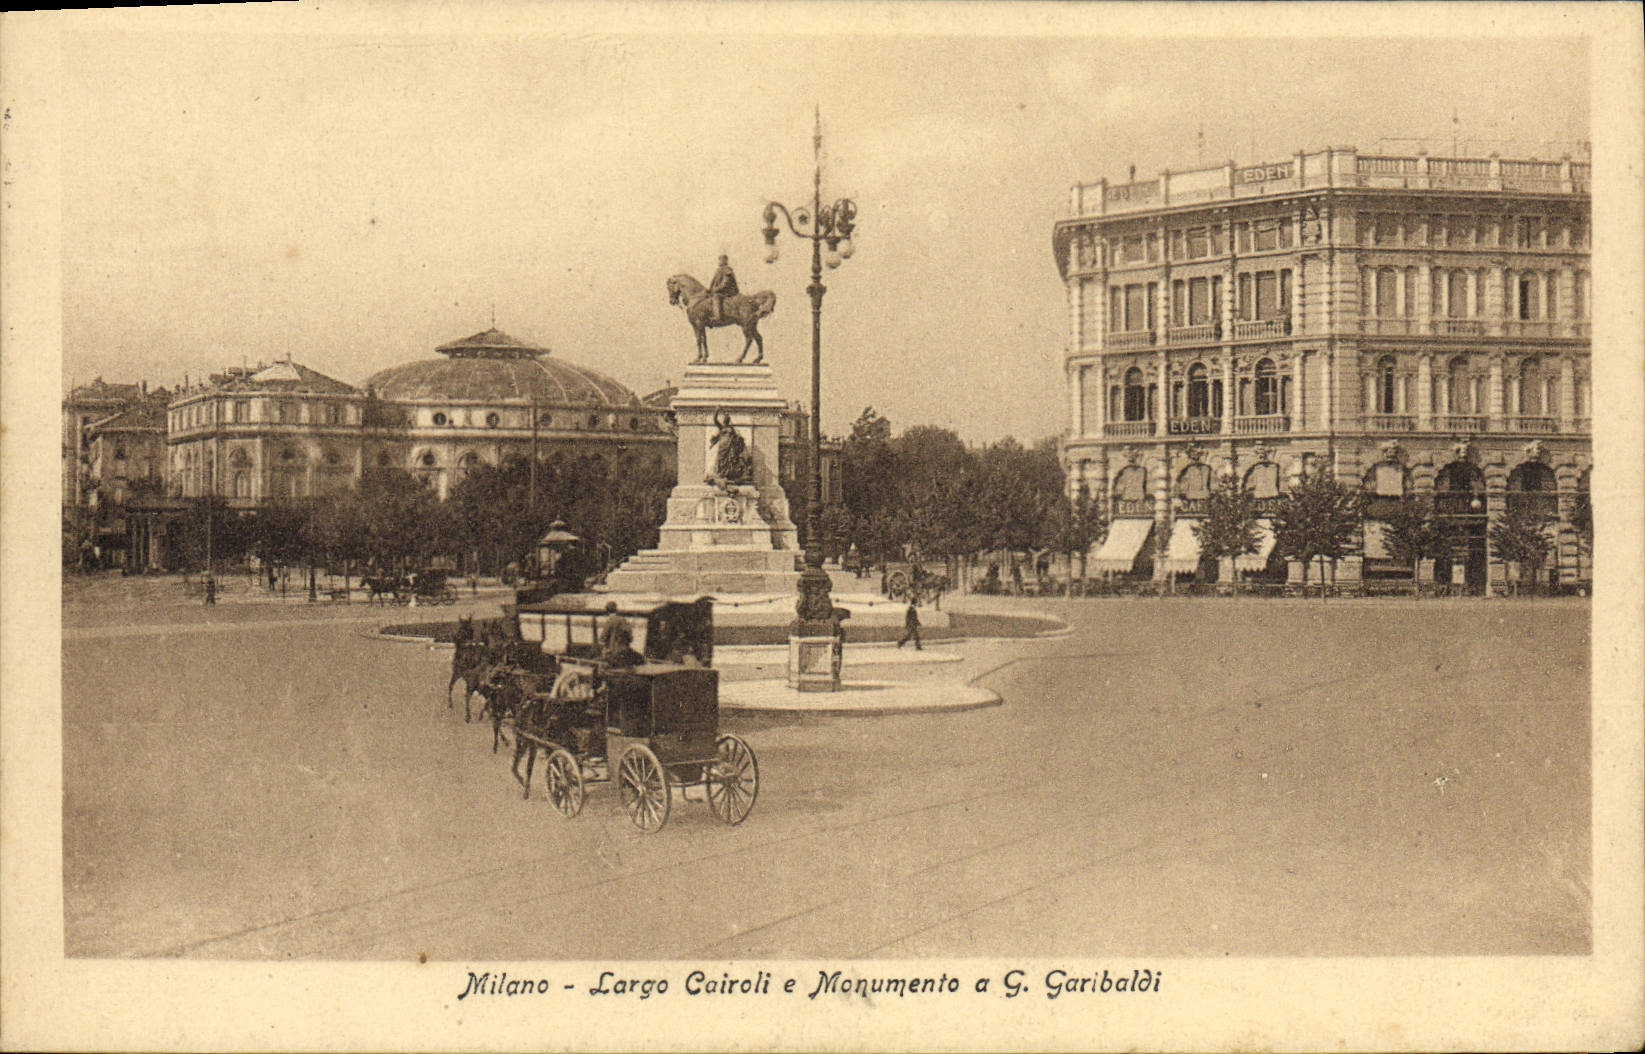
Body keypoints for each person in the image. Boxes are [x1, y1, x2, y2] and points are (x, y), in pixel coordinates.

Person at [599, 601, 641, 666]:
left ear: (607, 611)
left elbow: (602, 638)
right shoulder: (624, 620)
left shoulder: (609, 621)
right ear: (616, 610)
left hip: (614, 652)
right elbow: (631, 638)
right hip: (626, 651)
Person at [707, 254, 739, 324]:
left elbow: (725, 283)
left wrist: (715, 289)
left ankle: (718, 317)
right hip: (721, 291)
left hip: (728, 292)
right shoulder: (718, 270)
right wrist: (709, 290)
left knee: (716, 297)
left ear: (725, 260)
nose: (719, 262)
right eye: (719, 260)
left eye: (721, 260)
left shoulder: (727, 270)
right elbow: (713, 282)